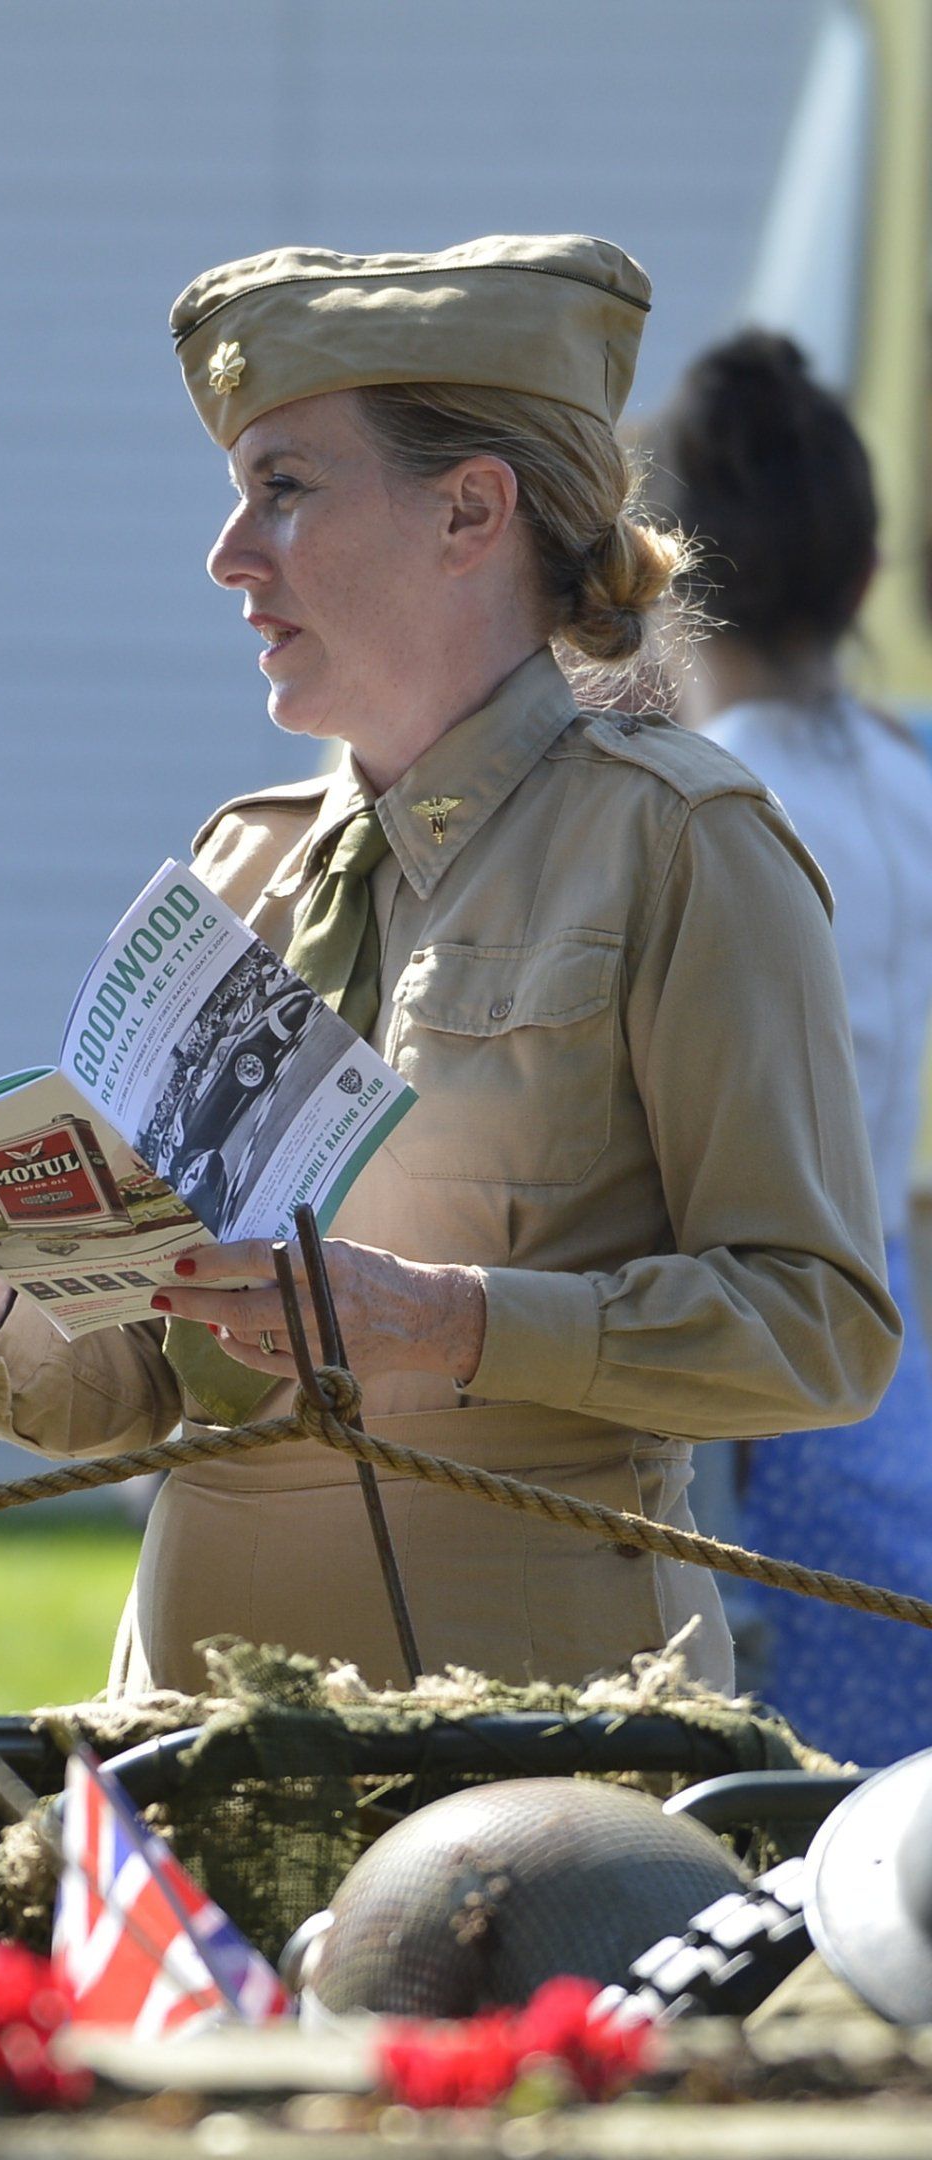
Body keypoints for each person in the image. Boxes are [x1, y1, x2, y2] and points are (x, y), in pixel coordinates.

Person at [0, 235, 897, 1699]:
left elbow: (818, 1331)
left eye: (285, 488)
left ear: (470, 510)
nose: (228, 553)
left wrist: (454, 1324)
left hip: (536, 1758)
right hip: (194, 1732)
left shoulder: (678, 844)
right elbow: (143, 1388)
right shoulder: (242, 865)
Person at [657, 331, 932, 1760]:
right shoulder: (908, 779)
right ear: (865, 579)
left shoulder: (698, 801)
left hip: (746, 1402)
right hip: (897, 1363)